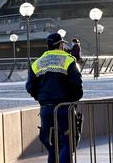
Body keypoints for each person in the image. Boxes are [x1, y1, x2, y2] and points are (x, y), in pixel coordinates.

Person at [26, 33, 83, 163]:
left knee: (52, 146)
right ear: (61, 45)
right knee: (68, 143)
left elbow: (30, 86)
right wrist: (73, 100)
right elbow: (77, 84)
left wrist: (41, 98)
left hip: (45, 109)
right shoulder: (68, 60)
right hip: (64, 108)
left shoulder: (38, 62)